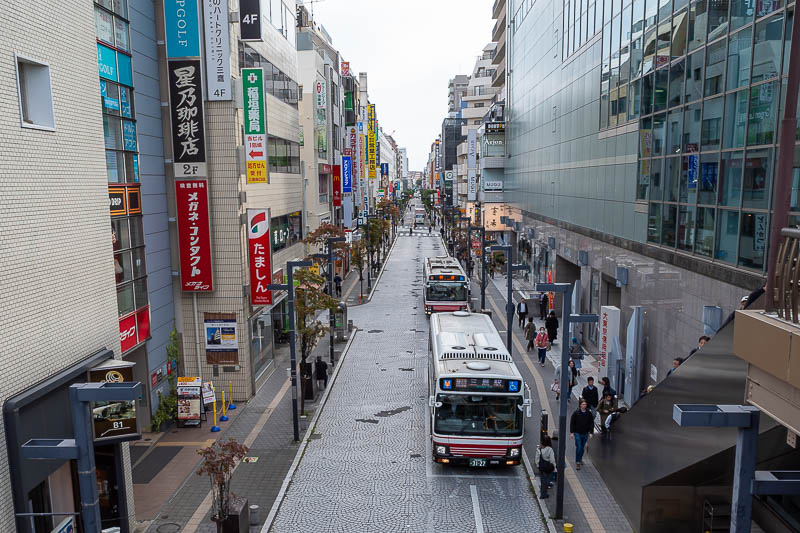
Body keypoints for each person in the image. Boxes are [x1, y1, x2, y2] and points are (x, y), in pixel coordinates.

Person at [570, 399, 594, 470]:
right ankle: (577, 462)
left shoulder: (588, 413)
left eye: (585, 404)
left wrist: (591, 432)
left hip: (585, 433)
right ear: (580, 405)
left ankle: (580, 458)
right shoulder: (576, 413)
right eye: (583, 404)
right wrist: (572, 432)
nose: (584, 406)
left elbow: (591, 423)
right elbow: (572, 422)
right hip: (577, 432)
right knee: (579, 447)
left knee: (582, 447)